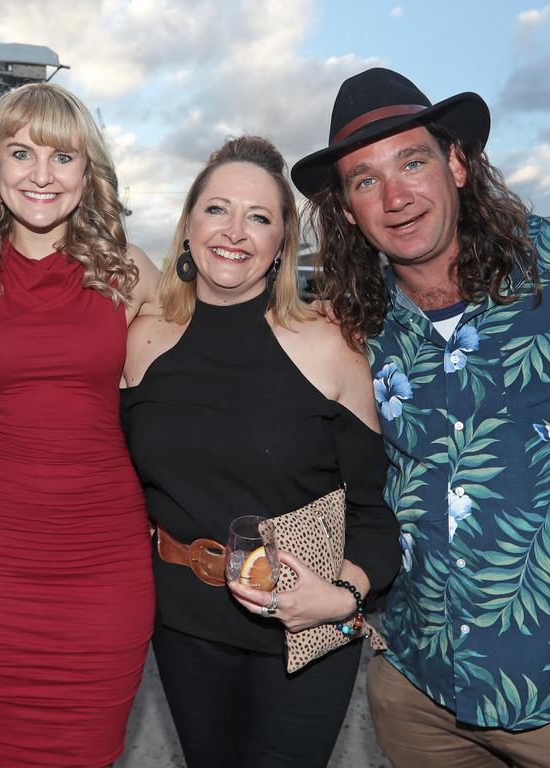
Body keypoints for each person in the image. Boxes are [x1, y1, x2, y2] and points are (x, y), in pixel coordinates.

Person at [292, 67, 550, 767]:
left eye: (411, 161)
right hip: (421, 693)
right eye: (364, 180)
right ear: (348, 209)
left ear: (456, 161)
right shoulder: (357, 325)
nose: (395, 196)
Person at [121, 135, 401, 767]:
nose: (235, 232)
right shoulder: (140, 344)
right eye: (217, 209)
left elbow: (376, 513)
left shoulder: (328, 348)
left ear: (282, 245)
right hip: (183, 623)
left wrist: (343, 596)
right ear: (188, 225)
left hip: (303, 627)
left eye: (260, 218)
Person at [0, 82, 159, 768]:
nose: (41, 175)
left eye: (62, 158)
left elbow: (196, 387)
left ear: (86, 175)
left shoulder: (128, 272)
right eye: (22, 152)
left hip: (104, 564)